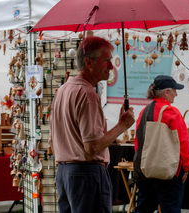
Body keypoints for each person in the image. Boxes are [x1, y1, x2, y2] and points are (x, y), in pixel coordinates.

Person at [49, 36, 135, 213]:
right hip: (85, 174)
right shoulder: (87, 95)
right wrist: (122, 125)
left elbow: (52, 142)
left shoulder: (63, 90)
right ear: (89, 63)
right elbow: (92, 147)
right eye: (106, 61)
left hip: (65, 174)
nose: (111, 66)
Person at [133, 75, 189, 213]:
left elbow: (138, 142)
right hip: (167, 171)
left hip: (144, 170)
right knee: (170, 208)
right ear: (166, 92)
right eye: (174, 90)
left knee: (144, 208)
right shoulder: (172, 112)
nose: (176, 94)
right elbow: (182, 142)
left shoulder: (144, 111)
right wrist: (186, 166)